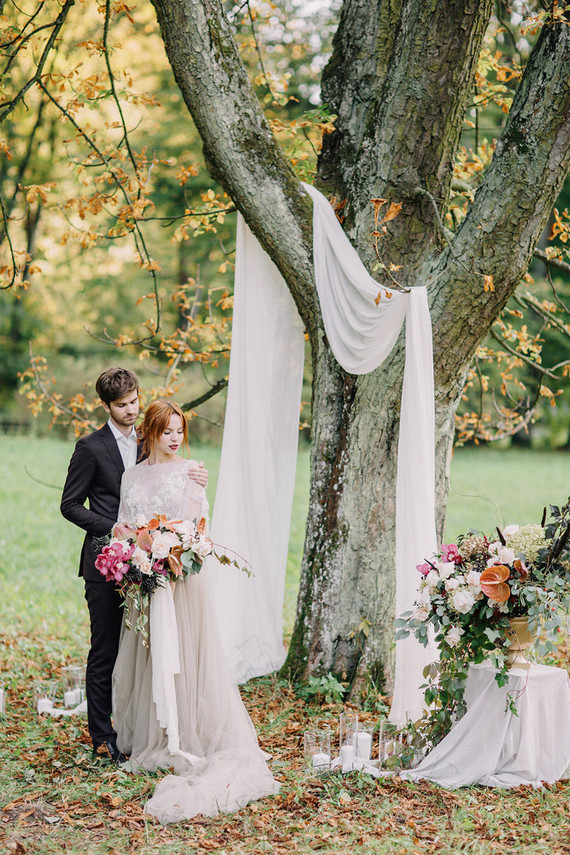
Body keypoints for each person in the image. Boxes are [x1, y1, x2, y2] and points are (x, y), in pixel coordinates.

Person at [112, 400, 279, 822]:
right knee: (148, 654)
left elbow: (193, 527)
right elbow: (123, 522)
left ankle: (187, 732)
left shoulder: (191, 471)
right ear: (149, 431)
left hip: (179, 579)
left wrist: (164, 549)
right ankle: (154, 732)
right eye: (165, 430)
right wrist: (130, 549)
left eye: (179, 430)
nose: (173, 437)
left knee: (185, 655)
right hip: (144, 580)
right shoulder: (131, 476)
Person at [61, 369, 207, 763]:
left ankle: (151, 729)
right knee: (107, 649)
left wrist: (194, 474)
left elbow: (171, 470)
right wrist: (113, 528)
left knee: (148, 651)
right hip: (107, 564)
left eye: (134, 402)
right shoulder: (90, 447)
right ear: (106, 406)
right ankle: (102, 736)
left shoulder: (153, 436)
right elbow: (69, 505)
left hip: (158, 566)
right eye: (122, 405)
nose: (130, 410)